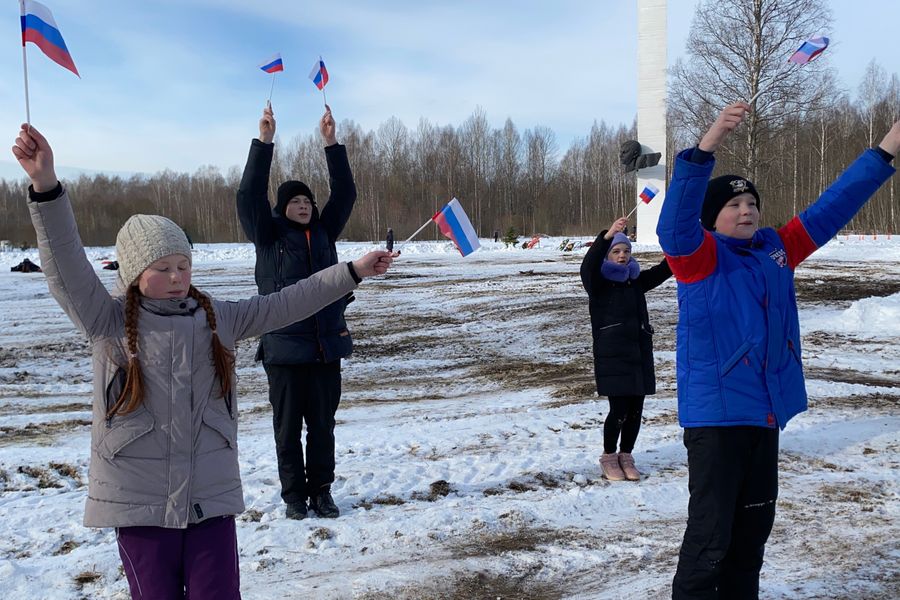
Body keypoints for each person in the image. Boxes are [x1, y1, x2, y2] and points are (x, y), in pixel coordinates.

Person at [12, 124, 394, 599]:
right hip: (139, 504)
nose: (176, 278)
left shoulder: (218, 319)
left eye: (183, 266)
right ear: (134, 273)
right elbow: (65, 263)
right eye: (162, 269)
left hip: (209, 500)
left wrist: (352, 271)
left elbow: (288, 302)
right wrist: (46, 188)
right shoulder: (105, 321)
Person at [657, 102, 900, 598]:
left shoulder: (776, 251)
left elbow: (833, 207)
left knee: (750, 541)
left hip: (764, 414)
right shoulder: (697, 258)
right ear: (712, 217)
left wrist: (887, 148)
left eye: (752, 203)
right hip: (717, 419)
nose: (747, 210)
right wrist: (706, 148)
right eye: (734, 205)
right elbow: (673, 224)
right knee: (710, 540)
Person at [237, 103, 358, 520]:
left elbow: (345, 193)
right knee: (287, 430)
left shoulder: (324, 233)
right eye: (296, 200)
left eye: (308, 200)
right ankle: (294, 497)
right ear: (282, 207)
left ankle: (322, 492)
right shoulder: (268, 237)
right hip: (285, 353)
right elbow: (248, 194)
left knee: (322, 429)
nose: (305, 205)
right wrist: (264, 142)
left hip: (326, 348)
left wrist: (331, 143)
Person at [580, 216, 672, 481]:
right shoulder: (598, 284)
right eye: (616, 252)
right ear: (607, 256)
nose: (622, 256)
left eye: (626, 251)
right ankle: (609, 457)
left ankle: (626, 455)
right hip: (613, 357)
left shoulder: (635, 282)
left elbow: (664, 271)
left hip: (639, 354)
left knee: (635, 411)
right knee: (618, 410)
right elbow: (588, 266)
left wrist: (678, 249)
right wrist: (606, 237)